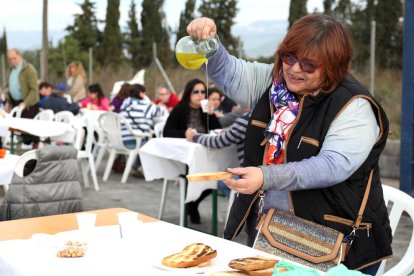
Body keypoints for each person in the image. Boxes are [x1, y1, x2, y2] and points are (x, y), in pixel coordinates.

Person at [186, 15, 392, 274]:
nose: (294, 69)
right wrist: (209, 43)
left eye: (308, 65)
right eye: (288, 57)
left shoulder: (354, 104)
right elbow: (230, 74)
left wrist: (266, 176)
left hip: (337, 249)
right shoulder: (273, 84)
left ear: (332, 65)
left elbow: (332, 166)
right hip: (271, 234)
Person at [163, 78, 222, 224]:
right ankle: (192, 205)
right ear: (189, 93)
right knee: (200, 175)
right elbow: (167, 131)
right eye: (196, 92)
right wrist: (184, 134)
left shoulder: (206, 110)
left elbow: (216, 131)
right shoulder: (180, 108)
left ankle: (192, 203)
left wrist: (211, 115)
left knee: (217, 178)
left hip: (205, 153)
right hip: (184, 156)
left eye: (203, 92)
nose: (200, 95)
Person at [186, 111, 251, 197]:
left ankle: (191, 206)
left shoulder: (247, 118)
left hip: (249, 176)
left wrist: (195, 137)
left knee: (206, 178)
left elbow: (219, 141)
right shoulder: (270, 115)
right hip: (260, 170)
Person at [120, 84, 167, 176]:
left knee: (146, 142)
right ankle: (156, 172)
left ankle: (135, 166)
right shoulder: (145, 106)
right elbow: (162, 112)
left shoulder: (124, 105)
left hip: (121, 141)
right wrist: (161, 107)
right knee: (154, 144)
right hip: (135, 142)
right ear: (141, 94)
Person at [6, 48, 40, 148]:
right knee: (13, 131)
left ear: (20, 56)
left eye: (14, 58)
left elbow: (34, 90)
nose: (12, 61)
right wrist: (9, 102)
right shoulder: (12, 69)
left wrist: (25, 103)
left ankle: (31, 159)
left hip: (28, 104)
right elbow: (11, 87)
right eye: (10, 59)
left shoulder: (29, 69)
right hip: (16, 104)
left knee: (28, 136)